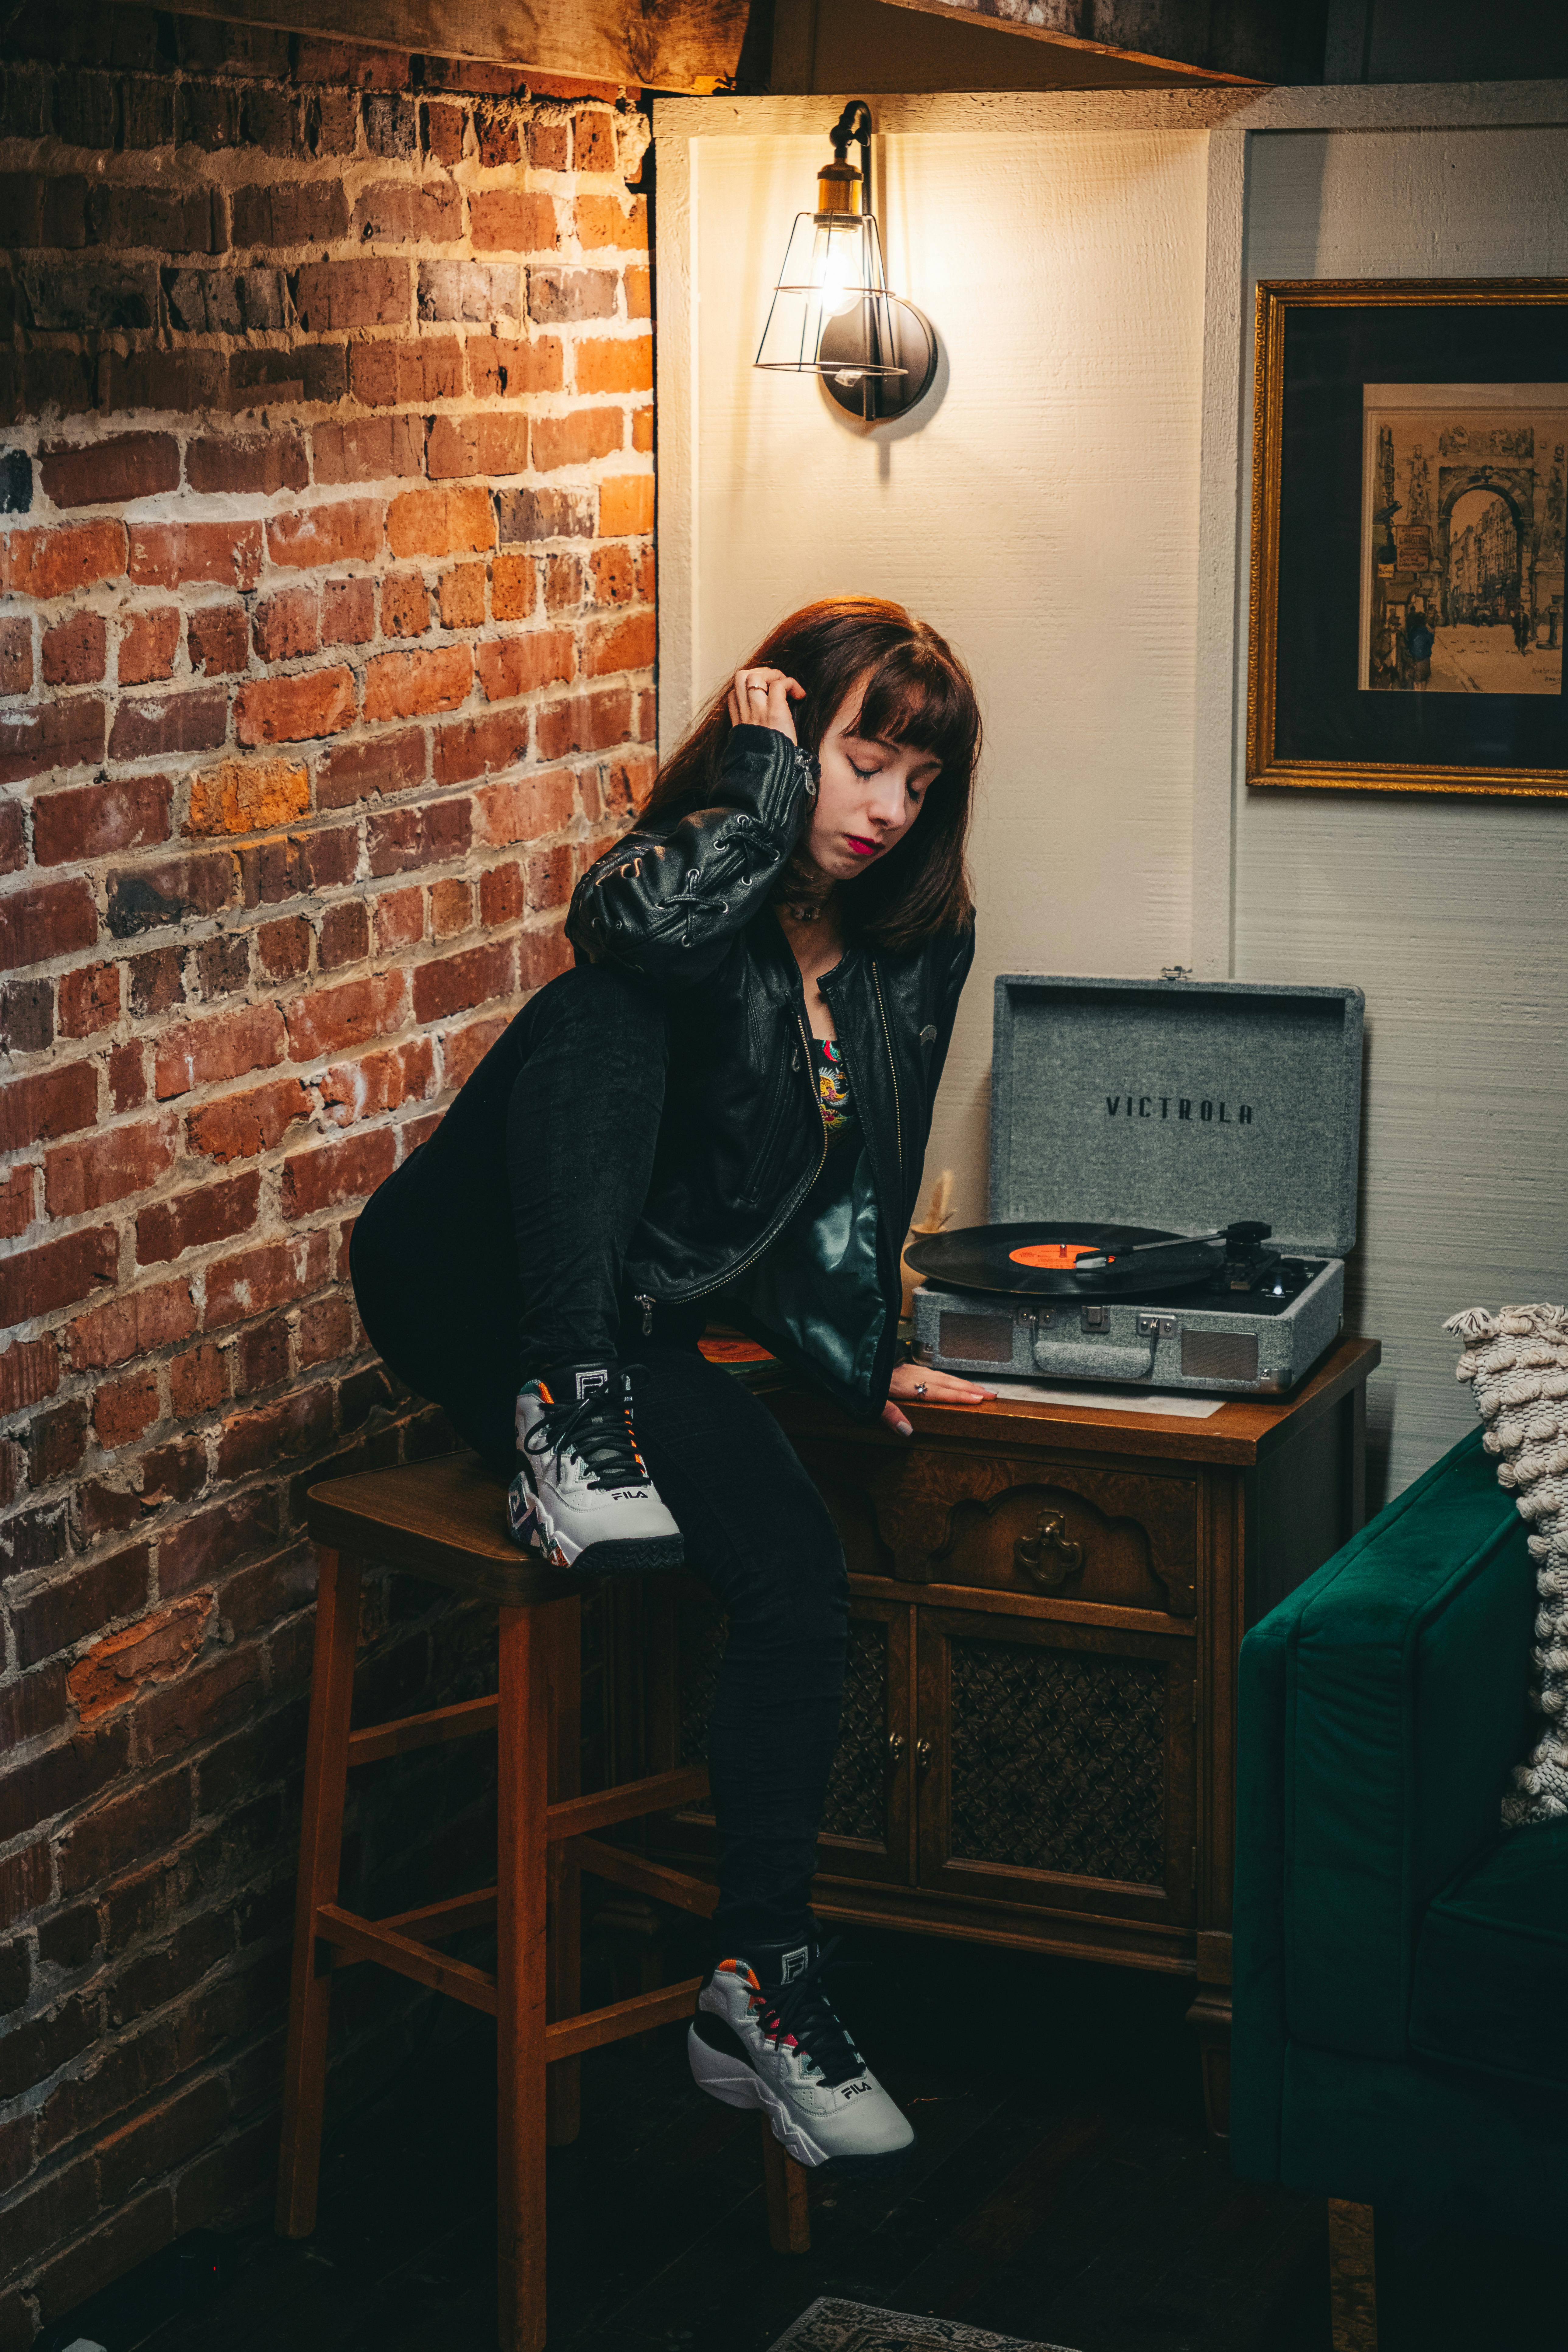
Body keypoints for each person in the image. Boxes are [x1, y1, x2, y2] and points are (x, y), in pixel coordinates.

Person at [349, 597, 992, 2168]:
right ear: (791, 735)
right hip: (467, 1279)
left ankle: (756, 1981)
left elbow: (859, 1186)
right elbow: (625, 939)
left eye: (919, 784)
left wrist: (862, 1352)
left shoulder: (914, 947)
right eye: (861, 760)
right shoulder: (691, 876)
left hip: (626, 1320)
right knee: (604, 1003)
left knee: (797, 1574)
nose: (888, 811)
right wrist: (756, 795)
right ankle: (557, 1412)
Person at [1403, 604, 1434, 690]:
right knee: (1424, 680)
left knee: (1416, 681)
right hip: (1425, 659)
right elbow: (1431, 643)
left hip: (1415, 660)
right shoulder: (1427, 631)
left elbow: (1409, 643)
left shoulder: (1413, 630)